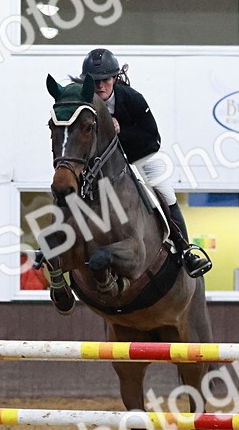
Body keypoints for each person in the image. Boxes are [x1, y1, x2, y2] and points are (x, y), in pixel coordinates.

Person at [79, 48, 212, 278]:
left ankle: (185, 250)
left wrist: (121, 131)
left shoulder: (132, 99)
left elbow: (153, 138)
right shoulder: (85, 103)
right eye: (95, 81)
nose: (100, 86)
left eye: (105, 80)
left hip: (141, 156)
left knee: (165, 195)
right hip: (103, 164)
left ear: (115, 78)